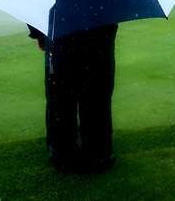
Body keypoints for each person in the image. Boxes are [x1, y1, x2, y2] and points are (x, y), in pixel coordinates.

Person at [28, 22, 119, 173]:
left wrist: (38, 34)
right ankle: (98, 153)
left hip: (60, 36)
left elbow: (34, 4)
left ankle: (63, 154)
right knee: (96, 97)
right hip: (98, 36)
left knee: (60, 99)